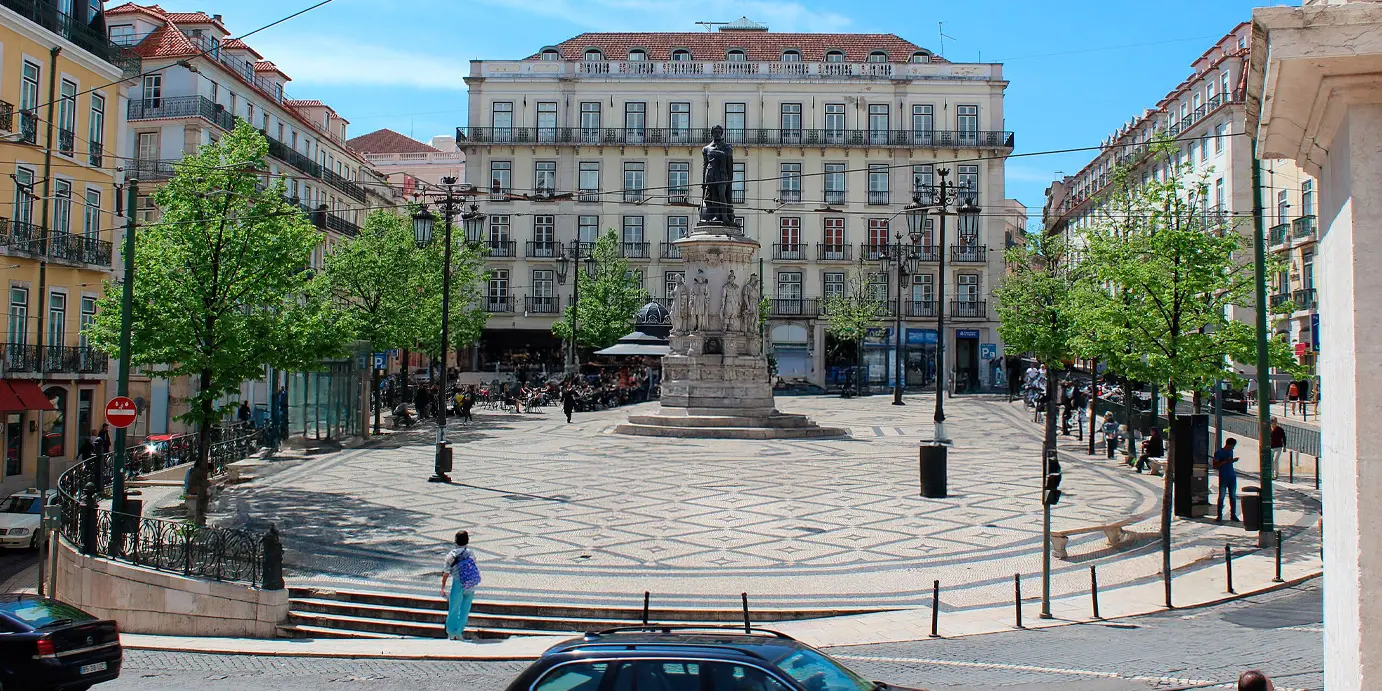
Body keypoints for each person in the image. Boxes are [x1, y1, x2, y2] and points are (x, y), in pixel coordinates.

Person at [440, 530, 481, 641]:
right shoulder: (470, 553)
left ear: (455, 541)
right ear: (467, 540)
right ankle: (459, 632)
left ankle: (451, 632)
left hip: (458, 583)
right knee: (465, 609)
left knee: (453, 609)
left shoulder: (451, 556)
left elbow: (446, 573)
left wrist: (443, 586)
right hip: (470, 584)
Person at [1214, 438, 1240, 522]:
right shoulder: (1218, 453)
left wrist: (1232, 461)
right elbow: (1215, 465)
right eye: (1232, 446)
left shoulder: (1230, 452)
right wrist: (1226, 461)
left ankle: (1233, 514)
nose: (1233, 448)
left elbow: (1229, 462)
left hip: (1232, 476)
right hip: (1223, 476)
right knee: (1221, 496)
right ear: (1228, 444)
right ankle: (1219, 515)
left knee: (1233, 496)